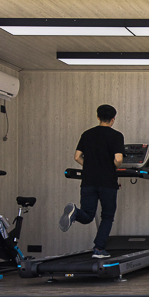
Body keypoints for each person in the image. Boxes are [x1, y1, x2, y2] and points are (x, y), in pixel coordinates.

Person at [59, 104, 124, 258]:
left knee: (88, 214)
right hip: (107, 181)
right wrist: (109, 168)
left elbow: (77, 157)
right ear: (113, 119)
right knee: (107, 216)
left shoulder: (87, 134)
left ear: (97, 117)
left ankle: (75, 212)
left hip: (88, 180)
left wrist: (89, 167)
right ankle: (99, 249)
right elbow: (118, 159)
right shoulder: (116, 136)